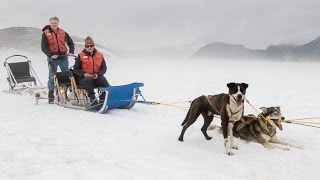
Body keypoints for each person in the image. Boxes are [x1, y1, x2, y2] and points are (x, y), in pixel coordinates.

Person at [41, 16, 74, 103]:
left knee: (66, 75)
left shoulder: (62, 32)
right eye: (52, 23)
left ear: (58, 23)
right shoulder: (45, 33)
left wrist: (71, 51)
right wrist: (51, 55)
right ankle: (51, 94)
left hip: (63, 57)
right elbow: (43, 47)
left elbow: (70, 42)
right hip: (53, 58)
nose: (54, 24)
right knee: (52, 76)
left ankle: (68, 93)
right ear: (50, 23)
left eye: (55, 23)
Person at [73, 36, 110, 109]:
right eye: (87, 46)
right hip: (84, 79)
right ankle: (93, 101)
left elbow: (104, 68)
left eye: (91, 45)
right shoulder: (81, 55)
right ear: (85, 46)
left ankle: (103, 101)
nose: (89, 47)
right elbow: (76, 69)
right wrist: (84, 74)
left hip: (95, 77)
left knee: (102, 79)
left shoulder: (100, 55)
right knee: (88, 80)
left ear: (94, 46)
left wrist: (98, 74)